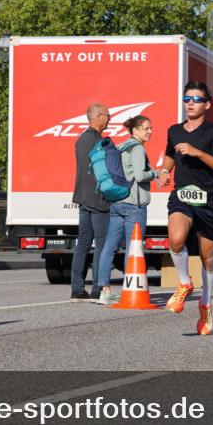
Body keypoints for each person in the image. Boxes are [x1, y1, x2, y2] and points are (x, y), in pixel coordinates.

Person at [157, 82, 213, 335]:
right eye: (186, 98)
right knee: (176, 240)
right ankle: (185, 284)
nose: (190, 103)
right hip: (182, 197)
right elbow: (169, 155)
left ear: (207, 105)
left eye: (196, 99)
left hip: (208, 200)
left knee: (209, 258)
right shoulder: (174, 130)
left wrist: (198, 152)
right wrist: (165, 171)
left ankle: (206, 304)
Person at [94, 115, 156, 306]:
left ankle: (104, 290)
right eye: (146, 128)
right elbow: (139, 175)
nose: (150, 131)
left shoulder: (121, 146)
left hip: (117, 202)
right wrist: (154, 173)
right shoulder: (137, 148)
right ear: (135, 130)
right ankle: (130, 289)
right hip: (134, 206)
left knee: (109, 247)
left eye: (150, 128)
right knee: (133, 248)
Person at [71, 103, 111, 302]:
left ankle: (77, 289)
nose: (109, 118)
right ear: (97, 116)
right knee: (102, 244)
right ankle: (97, 288)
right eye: (107, 115)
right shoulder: (99, 142)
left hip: (82, 197)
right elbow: (103, 172)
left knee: (83, 244)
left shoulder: (81, 140)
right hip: (98, 199)